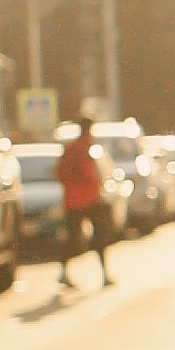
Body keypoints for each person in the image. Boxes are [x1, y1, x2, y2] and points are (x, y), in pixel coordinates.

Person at [57, 114, 111, 290]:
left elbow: (59, 173)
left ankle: (64, 272)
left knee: (74, 237)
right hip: (87, 199)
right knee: (99, 236)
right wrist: (96, 188)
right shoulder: (84, 148)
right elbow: (89, 174)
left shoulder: (72, 148)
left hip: (73, 200)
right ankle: (104, 274)